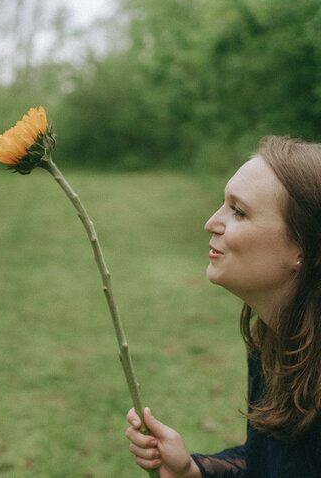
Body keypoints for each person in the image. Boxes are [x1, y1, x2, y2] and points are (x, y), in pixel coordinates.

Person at [125, 136, 321, 477]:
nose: (211, 223)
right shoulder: (272, 342)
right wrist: (191, 470)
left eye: (239, 211)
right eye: (224, 204)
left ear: (303, 250)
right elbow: (270, 464)